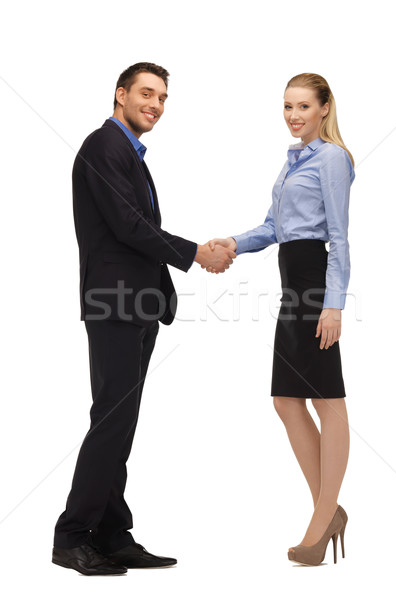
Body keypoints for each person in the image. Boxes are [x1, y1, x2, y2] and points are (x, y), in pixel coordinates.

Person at [52, 62, 236, 576]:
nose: (155, 104)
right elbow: (129, 226)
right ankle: (71, 536)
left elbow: (134, 227)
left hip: (137, 304)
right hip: (114, 302)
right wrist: (196, 252)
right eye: (146, 93)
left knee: (121, 424)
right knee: (110, 420)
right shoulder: (104, 146)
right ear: (120, 94)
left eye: (162, 98)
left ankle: (111, 533)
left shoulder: (130, 153)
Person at [208, 73, 355, 566]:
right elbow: (275, 227)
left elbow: (338, 236)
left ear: (323, 108)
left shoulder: (332, 159)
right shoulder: (294, 160)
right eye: (287, 106)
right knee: (286, 400)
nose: (293, 115)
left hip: (314, 285)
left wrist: (333, 303)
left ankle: (321, 518)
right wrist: (234, 241)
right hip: (292, 285)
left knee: (326, 401)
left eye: (303, 107)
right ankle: (328, 510)